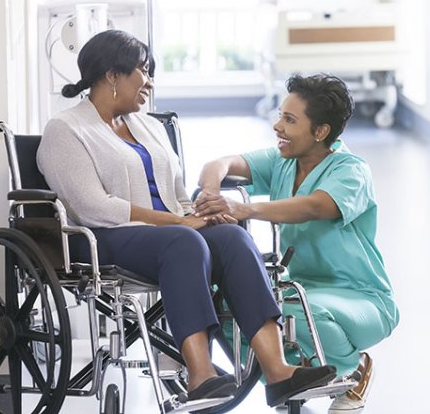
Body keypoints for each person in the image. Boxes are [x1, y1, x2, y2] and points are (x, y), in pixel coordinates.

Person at [36, 30, 336, 407]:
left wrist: (198, 214)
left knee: (233, 237)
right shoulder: (65, 130)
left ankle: (277, 371)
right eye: (143, 72)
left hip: (169, 234)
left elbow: (176, 192)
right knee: (185, 241)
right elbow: (94, 206)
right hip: (102, 237)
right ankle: (200, 375)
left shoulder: (148, 125)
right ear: (112, 75)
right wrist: (180, 224)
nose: (149, 82)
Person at [195, 73, 399, 413]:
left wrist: (244, 208)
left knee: (294, 313)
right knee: (230, 314)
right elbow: (220, 164)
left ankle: (354, 367)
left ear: (320, 132)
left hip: (360, 296)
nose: (278, 127)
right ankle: (287, 384)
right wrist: (211, 193)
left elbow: (316, 206)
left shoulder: (351, 171)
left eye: (290, 120)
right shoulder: (283, 161)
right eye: (280, 116)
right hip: (300, 288)